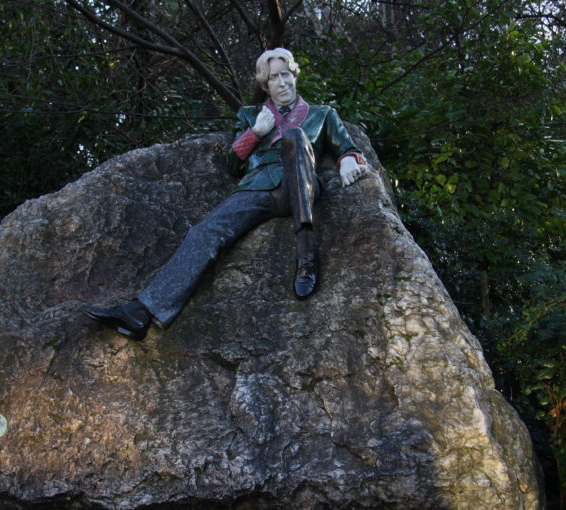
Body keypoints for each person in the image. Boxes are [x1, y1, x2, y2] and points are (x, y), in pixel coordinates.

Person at [82, 48, 367, 341]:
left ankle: (307, 257)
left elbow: (347, 147)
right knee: (205, 232)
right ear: (265, 85)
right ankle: (141, 312)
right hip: (257, 188)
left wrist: (348, 160)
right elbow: (233, 164)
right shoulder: (250, 115)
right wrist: (256, 132)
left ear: (294, 76)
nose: (282, 83)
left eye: (285, 75)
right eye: (273, 78)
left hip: (300, 184)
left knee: (294, 136)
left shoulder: (322, 115)